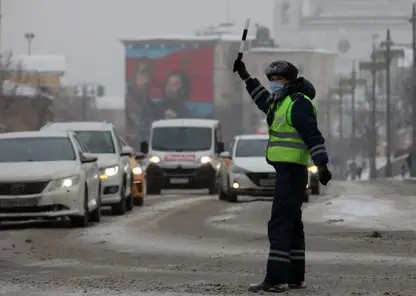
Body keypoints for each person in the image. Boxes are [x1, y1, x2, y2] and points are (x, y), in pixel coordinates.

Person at [233, 59, 332, 292]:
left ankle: (276, 279)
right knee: (292, 224)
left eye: (278, 80)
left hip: (292, 171)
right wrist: (246, 76)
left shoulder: (298, 104)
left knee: (279, 223)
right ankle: (295, 276)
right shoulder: (280, 102)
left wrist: (322, 164)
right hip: (286, 171)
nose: (274, 85)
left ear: (290, 81)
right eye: (272, 81)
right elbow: (262, 100)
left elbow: (312, 134)